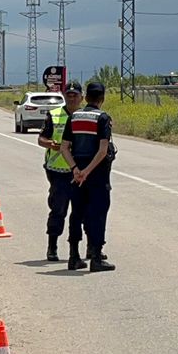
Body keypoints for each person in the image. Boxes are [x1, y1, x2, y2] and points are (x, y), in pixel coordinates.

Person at [67, 79, 117, 272]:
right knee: (97, 214)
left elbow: (64, 147)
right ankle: (96, 257)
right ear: (102, 99)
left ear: (85, 97)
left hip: (77, 174)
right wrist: (88, 171)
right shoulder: (103, 118)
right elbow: (103, 150)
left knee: (76, 213)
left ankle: (73, 256)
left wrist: (76, 170)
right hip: (97, 175)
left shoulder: (74, 117)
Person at [38, 83, 83, 262]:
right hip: (58, 171)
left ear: (82, 97)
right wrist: (51, 144)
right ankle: (52, 247)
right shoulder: (55, 114)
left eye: (75, 94)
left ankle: (87, 249)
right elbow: (41, 138)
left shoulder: (85, 116)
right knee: (59, 209)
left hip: (81, 172)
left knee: (83, 211)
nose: (72, 97)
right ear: (64, 95)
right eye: (69, 94)